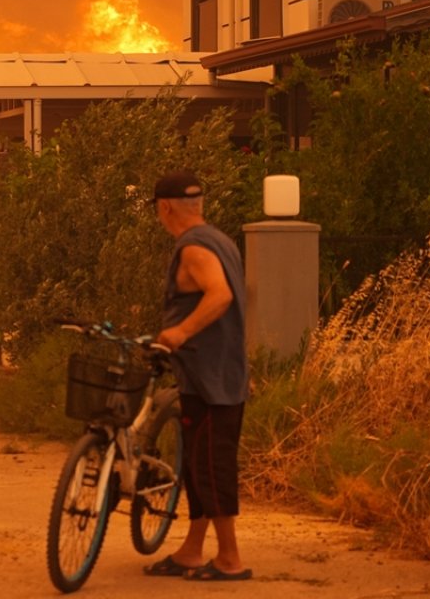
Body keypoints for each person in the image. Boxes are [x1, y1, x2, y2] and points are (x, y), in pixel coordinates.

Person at [143, 170, 253, 582]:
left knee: (211, 467)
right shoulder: (220, 240)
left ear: (164, 207)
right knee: (198, 464)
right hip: (219, 371)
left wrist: (180, 332)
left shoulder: (192, 248)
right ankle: (192, 550)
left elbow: (221, 295)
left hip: (211, 379)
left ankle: (229, 559)